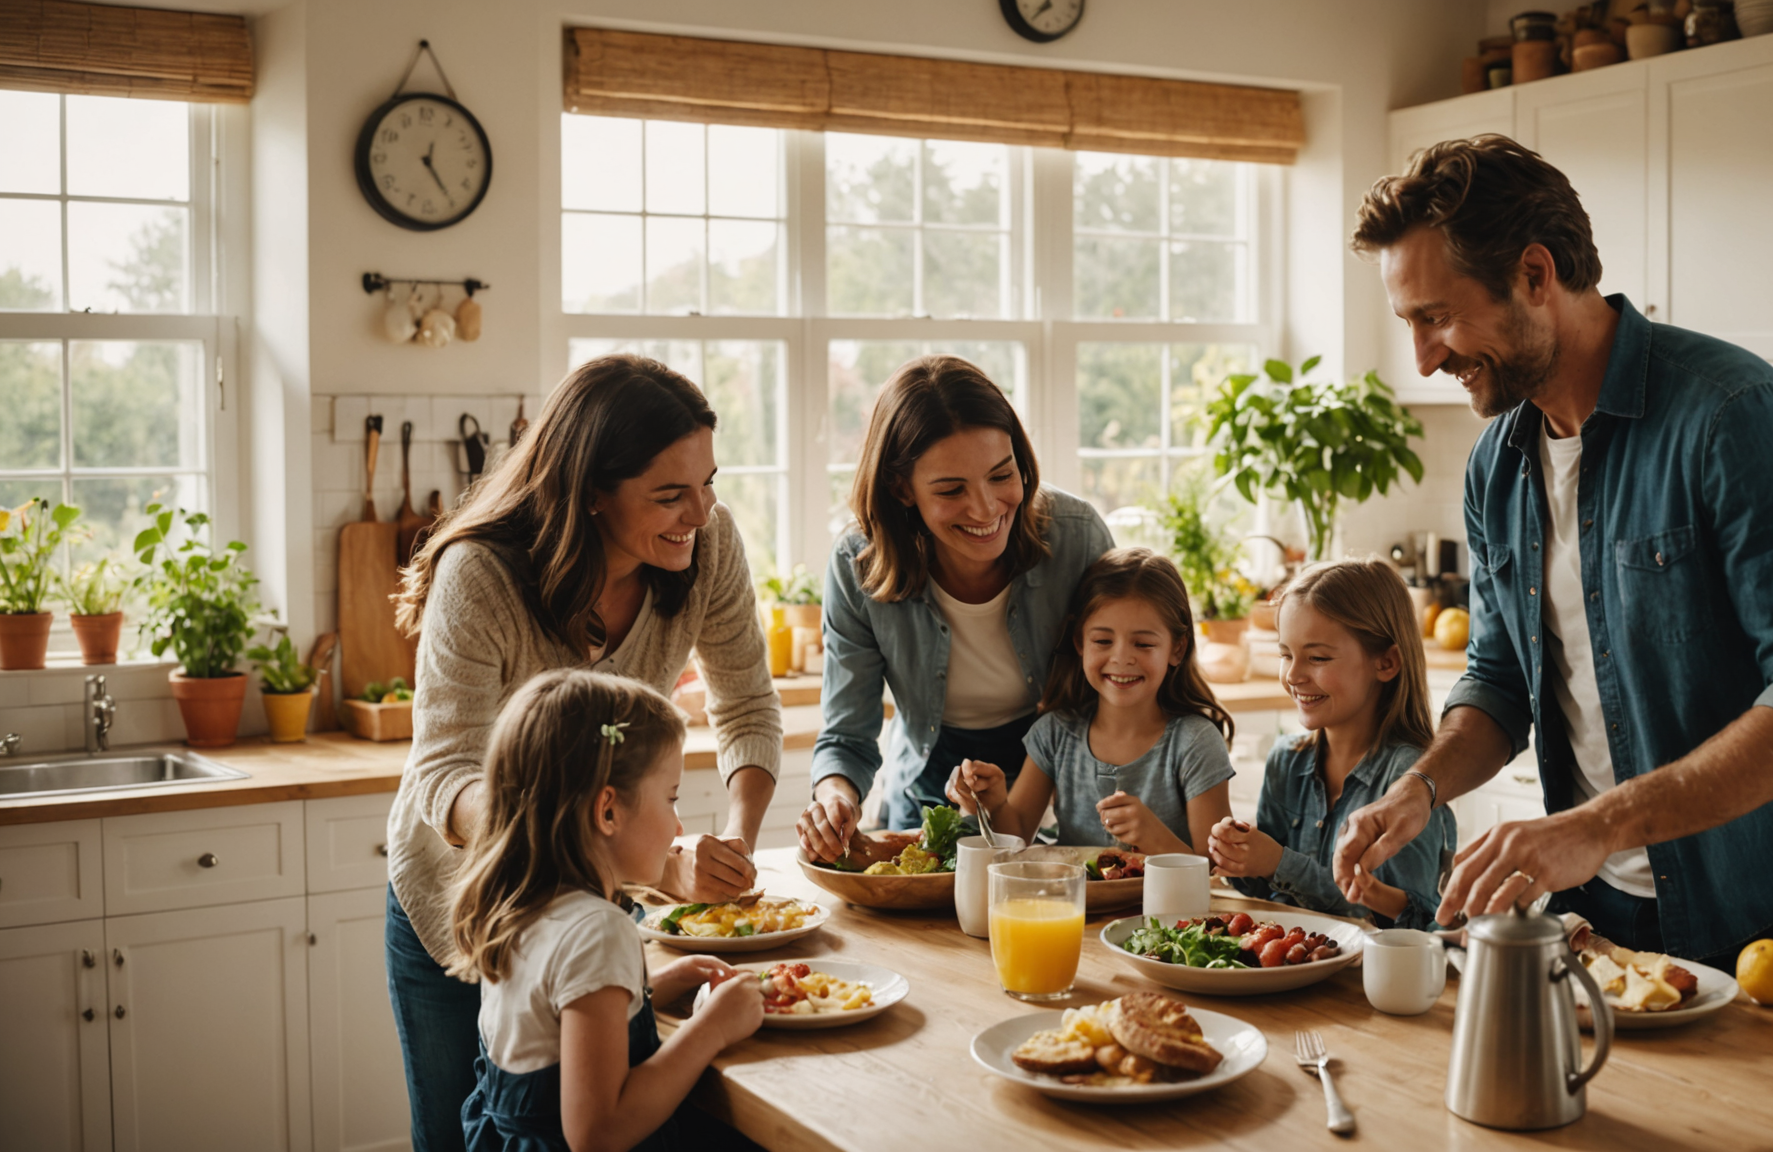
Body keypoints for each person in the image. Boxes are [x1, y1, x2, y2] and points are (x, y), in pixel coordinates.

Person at [1333, 135, 1773, 1010]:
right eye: (1411, 323)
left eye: (1435, 316)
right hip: (1599, 906)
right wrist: (1420, 786)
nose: (1426, 358)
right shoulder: (1495, 466)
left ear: (1536, 274)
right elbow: (1500, 680)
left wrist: (1594, 827)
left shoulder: (1733, 418)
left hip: (1771, 903)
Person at [386, 354, 782, 1149]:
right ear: (590, 492)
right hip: (465, 906)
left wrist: (733, 842)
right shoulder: (483, 573)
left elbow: (745, 703)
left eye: (708, 482)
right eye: (670, 495)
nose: (700, 513)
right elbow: (444, 772)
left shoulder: (707, 542)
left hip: (588, 904)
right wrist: (631, 854)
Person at [797, 355, 1114, 859]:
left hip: (1063, 781)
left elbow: (1121, 694)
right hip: (930, 780)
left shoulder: (1077, 536)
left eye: (1001, 475)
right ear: (902, 488)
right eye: (951, 490)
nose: (986, 509)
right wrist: (834, 799)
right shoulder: (857, 562)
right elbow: (847, 735)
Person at [450, 670, 763, 1152]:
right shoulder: (599, 930)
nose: (679, 824)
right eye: (670, 798)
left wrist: (651, 990)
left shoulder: (522, 903)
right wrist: (712, 1028)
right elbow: (597, 1132)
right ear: (608, 811)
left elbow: (556, 1029)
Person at [1209, 559, 1453, 928]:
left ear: (1386, 662)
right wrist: (1239, 855)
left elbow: (1420, 921)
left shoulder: (1411, 782)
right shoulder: (1286, 761)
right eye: (1286, 655)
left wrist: (1279, 862)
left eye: (1317, 658)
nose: (1292, 675)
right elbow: (1269, 894)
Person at [945, 547, 1237, 854]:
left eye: (1143, 643)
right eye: (1102, 641)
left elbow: (1214, 871)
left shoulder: (1196, 743)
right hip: (1067, 903)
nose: (1122, 658)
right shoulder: (1055, 733)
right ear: (1079, 642)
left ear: (1177, 649)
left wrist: (1155, 839)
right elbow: (1015, 837)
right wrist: (991, 803)